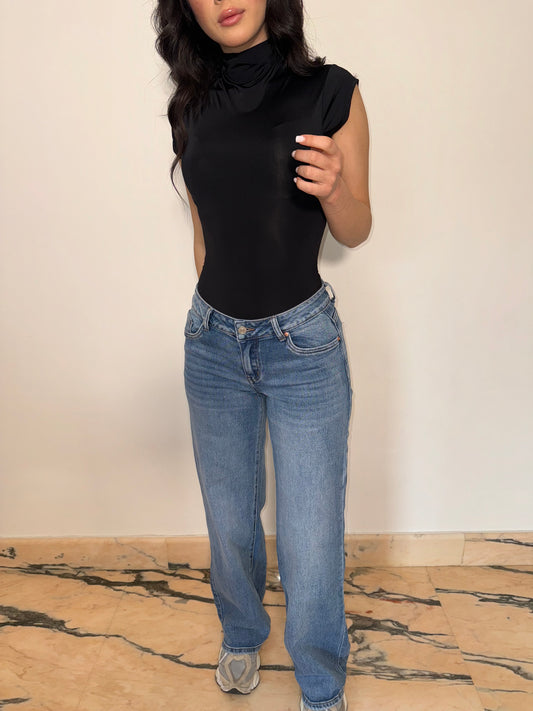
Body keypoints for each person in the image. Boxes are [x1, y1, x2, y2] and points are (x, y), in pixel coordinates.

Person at [153, 2, 371, 709]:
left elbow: (357, 228)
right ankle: (243, 632)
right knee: (229, 520)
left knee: (311, 536)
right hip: (212, 342)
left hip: (302, 345)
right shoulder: (190, 102)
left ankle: (320, 687)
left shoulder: (331, 90)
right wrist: (215, 316)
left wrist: (334, 189)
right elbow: (203, 230)